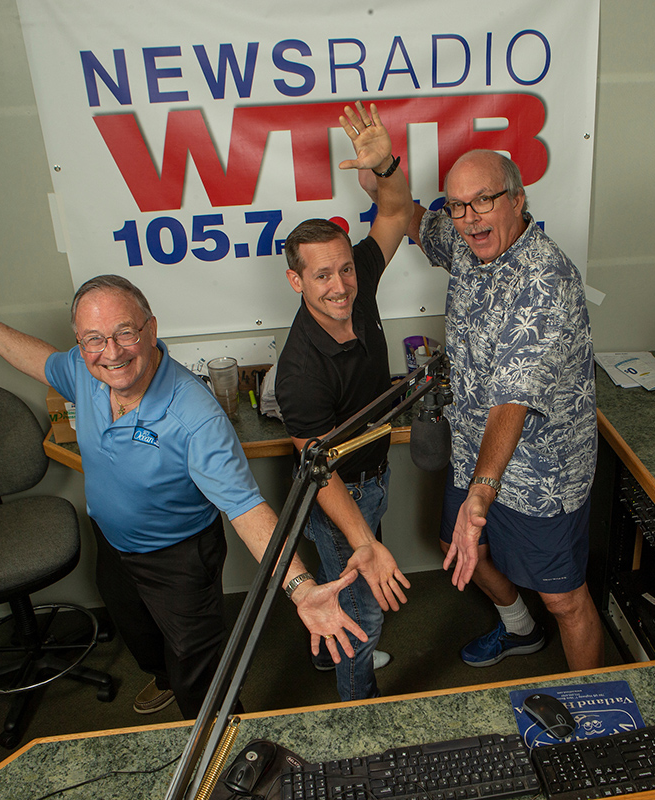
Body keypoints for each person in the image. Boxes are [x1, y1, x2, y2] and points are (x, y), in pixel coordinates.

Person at [0, 272, 366, 720]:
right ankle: (164, 677)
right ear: (81, 341)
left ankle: (222, 751)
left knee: (200, 672)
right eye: (94, 339)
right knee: (140, 635)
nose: (110, 353)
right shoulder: (84, 369)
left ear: (150, 329)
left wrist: (301, 588)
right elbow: (42, 360)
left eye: (124, 333)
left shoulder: (195, 417)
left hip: (179, 558)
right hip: (113, 541)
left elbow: (247, 508)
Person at [417, 149, 604, 671]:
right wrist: (382, 172)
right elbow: (410, 218)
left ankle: (596, 718)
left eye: (483, 200)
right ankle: (520, 630)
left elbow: (512, 401)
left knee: (564, 599)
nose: (469, 217)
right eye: (457, 205)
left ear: (519, 200)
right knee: (455, 546)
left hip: (543, 472)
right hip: (476, 453)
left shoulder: (546, 281)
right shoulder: (462, 238)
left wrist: (480, 497)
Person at [274, 101, 414, 701]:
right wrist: (364, 541)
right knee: (362, 613)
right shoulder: (299, 373)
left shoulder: (358, 276)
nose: (340, 287)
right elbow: (320, 469)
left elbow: (397, 210)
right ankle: (357, 708)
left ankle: (346, 654)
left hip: (372, 476)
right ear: (296, 280)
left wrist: (385, 164)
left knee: (353, 591)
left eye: (344, 271)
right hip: (338, 491)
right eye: (322, 276)